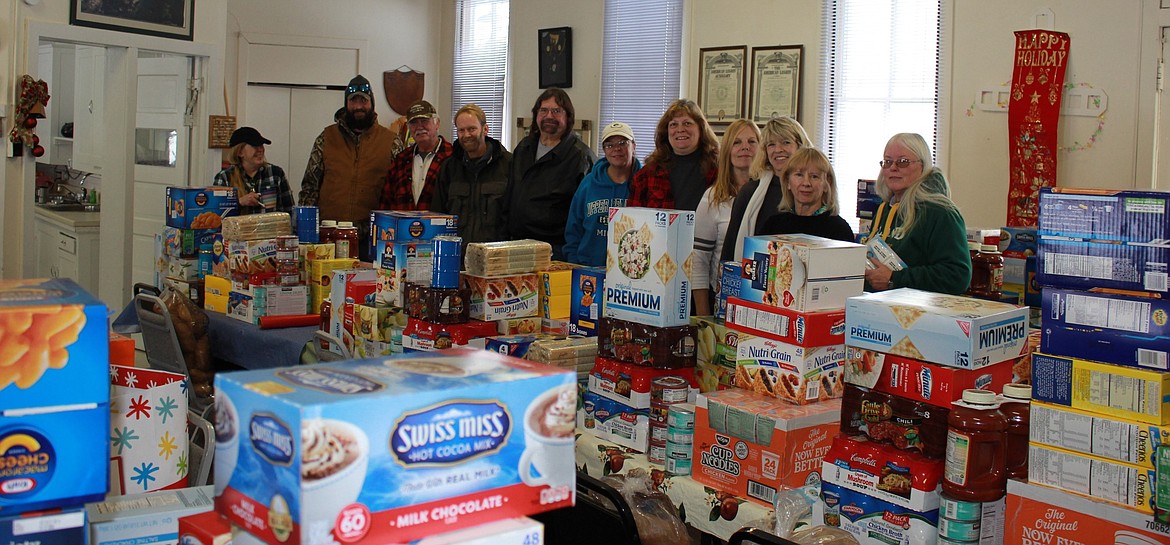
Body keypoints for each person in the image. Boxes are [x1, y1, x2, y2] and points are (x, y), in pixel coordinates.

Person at [298, 75, 396, 260]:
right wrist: (305, 233)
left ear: (372, 103)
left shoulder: (391, 142)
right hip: (329, 236)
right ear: (346, 103)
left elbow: (397, 194)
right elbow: (309, 188)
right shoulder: (326, 138)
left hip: (373, 238)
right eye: (353, 101)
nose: (358, 106)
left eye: (363, 100)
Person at [862, 133, 971, 294]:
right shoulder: (884, 209)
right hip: (876, 306)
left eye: (903, 162)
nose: (893, 167)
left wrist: (895, 278)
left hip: (919, 314)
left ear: (923, 166)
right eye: (888, 161)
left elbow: (957, 276)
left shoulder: (941, 212)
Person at [505, 88, 595, 260]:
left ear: (568, 116)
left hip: (554, 251)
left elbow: (584, 214)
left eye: (556, 111)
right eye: (543, 110)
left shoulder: (580, 157)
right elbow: (510, 194)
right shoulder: (524, 148)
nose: (549, 116)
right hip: (516, 246)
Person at [721, 117, 811, 263]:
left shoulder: (810, 191)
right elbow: (730, 249)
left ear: (800, 146)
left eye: (786, 142)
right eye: (771, 145)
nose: (778, 150)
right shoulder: (750, 192)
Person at [692, 119, 759, 316]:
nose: (744, 147)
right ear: (727, 150)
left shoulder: (770, 196)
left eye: (752, 142)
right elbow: (698, 261)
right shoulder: (712, 198)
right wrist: (704, 317)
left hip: (761, 301)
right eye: (737, 142)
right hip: (721, 301)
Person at [431, 103, 512, 244]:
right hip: (457, 256)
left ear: (485, 129)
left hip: (497, 256)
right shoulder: (449, 168)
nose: (466, 135)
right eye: (461, 130)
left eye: (472, 129)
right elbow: (438, 216)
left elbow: (516, 215)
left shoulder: (508, 165)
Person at [564, 121, 642, 267]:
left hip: (631, 272)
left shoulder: (645, 183)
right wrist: (574, 264)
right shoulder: (588, 184)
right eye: (609, 145)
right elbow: (573, 229)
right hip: (589, 268)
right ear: (604, 151)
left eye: (623, 143)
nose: (616, 149)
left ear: (634, 146)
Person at [628, 99, 719, 211]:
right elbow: (632, 220)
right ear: (666, 132)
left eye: (687, 123)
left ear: (701, 128)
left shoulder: (719, 169)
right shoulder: (647, 174)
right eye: (674, 124)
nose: (680, 129)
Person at [759, 147, 855, 241]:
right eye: (799, 175)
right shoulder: (773, 225)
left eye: (814, 176)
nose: (806, 183)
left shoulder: (839, 230)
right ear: (788, 181)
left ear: (827, 184)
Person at [381, 100, 453, 211]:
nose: (419, 127)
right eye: (414, 123)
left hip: (440, 228)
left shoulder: (453, 157)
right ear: (409, 127)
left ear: (437, 123)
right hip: (403, 227)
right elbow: (386, 203)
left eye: (424, 121)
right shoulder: (400, 161)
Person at [213, 126, 294, 215]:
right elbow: (217, 216)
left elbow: (290, 211)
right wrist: (240, 203)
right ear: (240, 152)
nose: (260, 150)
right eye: (255, 146)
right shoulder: (224, 178)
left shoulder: (276, 174)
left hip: (271, 229)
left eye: (261, 145)